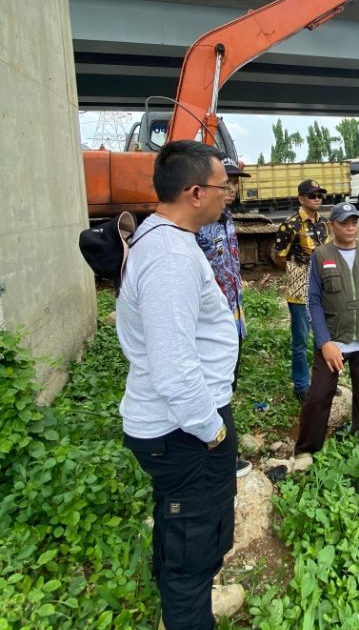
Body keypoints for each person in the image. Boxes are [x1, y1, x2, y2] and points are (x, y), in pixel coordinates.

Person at [117, 141, 244, 630]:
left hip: (179, 425)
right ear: (195, 192)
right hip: (184, 430)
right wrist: (211, 431)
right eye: (221, 187)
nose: (226, 196)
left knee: (186, 524)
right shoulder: (170, 257)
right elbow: (174, 369)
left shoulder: (166, 241)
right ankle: (189, 611)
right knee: (193, 536)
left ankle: (192, 597)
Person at [294, 202, 359, 457]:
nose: (350, 228)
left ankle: (358, 438)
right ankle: (306, 450)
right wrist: (324, 342)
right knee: (317, 397)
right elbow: (313, 301)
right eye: (344, 223)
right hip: (334, 341)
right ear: (332, 226)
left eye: (353, 222)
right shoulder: (321, 255)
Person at [196, 156, 252, 479]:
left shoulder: (226, 218)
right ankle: (217, 458)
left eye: (235, 181)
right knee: (212, 388)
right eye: (226, 180)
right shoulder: (197, 225)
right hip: (210, 323)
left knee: (227, 384)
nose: (232, 187)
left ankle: (219, 449)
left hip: (233, 315)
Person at [272, 179, 330, 402]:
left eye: (319, 195)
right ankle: (301, 385)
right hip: (299, 290)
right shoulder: (290, 225)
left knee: (323, 338)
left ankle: (323, 382)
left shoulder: (324, 224)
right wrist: (299, 268)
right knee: (300, 340)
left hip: (322, 289)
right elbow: (279, 257)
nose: (317, 198)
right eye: (312, 195)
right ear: (301, 199)